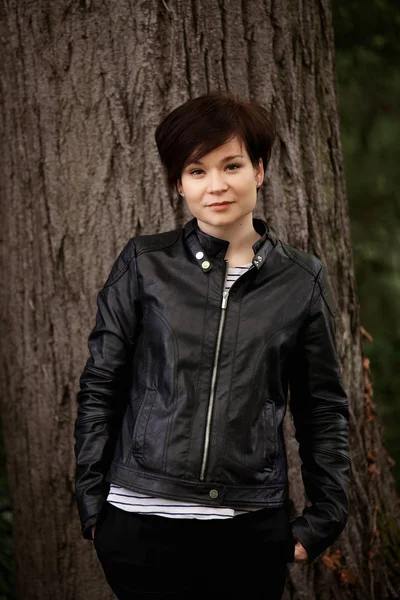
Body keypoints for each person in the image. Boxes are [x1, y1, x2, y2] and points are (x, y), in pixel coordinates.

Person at [73, 91, 350, 599]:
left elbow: (322, 408)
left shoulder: (301, 281)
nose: (216, 185)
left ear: (259, 170)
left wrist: (324, 519)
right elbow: (102, 383)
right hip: (139, 522)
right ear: (179, 182)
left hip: (247, 529)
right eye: (197, 171)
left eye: (232, 165)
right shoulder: (144, 263)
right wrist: (93, 504)